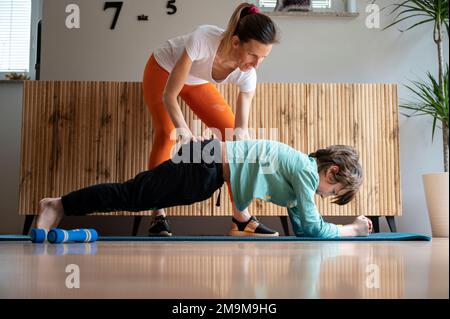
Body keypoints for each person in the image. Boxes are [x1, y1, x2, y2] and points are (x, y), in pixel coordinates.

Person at [36, 139, 373, 238]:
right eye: (336, 190)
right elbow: (314, 227)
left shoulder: (300, 174)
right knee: (132, 195)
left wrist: (333, 229)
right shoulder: (305, 170)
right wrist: (354, 230)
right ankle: (58, 205)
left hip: (206, 173)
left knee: (136, 195)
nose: (328, 196)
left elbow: (304, 228)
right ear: (332, 170)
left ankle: (60, 206)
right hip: (204, 164)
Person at [142, 2, 279, 236]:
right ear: (235, 42)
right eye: (253, 55)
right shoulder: (203, 39)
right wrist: (183, 130)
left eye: (263, 58)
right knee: (167, 132)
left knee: (232, 139)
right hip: (163, 69)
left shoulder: (248, 75)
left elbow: (240, 131)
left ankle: (242, 218)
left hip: (196, 83)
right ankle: (158, 216)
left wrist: (243, 148)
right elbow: (169, 95)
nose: (256, 64)